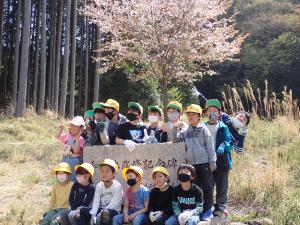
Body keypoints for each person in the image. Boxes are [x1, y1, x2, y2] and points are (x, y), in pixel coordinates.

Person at [173, 104, 216, 221]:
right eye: (189, 114)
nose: (191, 117)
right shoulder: (185, 130)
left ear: (199, 116)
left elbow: (210, 147)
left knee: (207, 187)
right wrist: (175, 128)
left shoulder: (203, 129)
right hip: (191, 165)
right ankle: (199, 211)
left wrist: (212, 162)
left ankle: (208, 209)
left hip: (205, 162)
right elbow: (175, 140)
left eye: (194, 114)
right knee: (196, 188)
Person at [204, 99, 231, 217]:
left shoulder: (223, 127)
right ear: (206, 113)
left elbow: (228, 141)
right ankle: (208, 206)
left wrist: (223, 146)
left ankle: (220, 206)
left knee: (222, 185)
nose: (212, 113)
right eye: (209, 111)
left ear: (219, 113)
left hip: (222, 160)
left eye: (215, 111)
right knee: (208, 185)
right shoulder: (202, 127)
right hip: (207, 161)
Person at [88, 159, 123, 225]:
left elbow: (114, 204)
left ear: (114, 173)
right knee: (82, 211)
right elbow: (96, 201)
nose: (104, 174)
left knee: (105, 214)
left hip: (113, 211)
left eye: (107, 171)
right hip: (100, 209)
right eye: (102, 171)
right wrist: (93, 214)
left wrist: (101, 213)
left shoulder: (118, 186)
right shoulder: (99, 185)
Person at [56, 116, 85, 182]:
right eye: (72, 125)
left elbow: (76, 151)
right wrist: (61, 130)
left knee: (72, 179)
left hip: (74, 161)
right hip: (65, 159)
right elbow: (57, 137)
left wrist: (77, 138)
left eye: (76, 126)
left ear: (81, 129)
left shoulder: (81, 139)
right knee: (63, 177)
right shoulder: (66, 136)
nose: (73, 127)